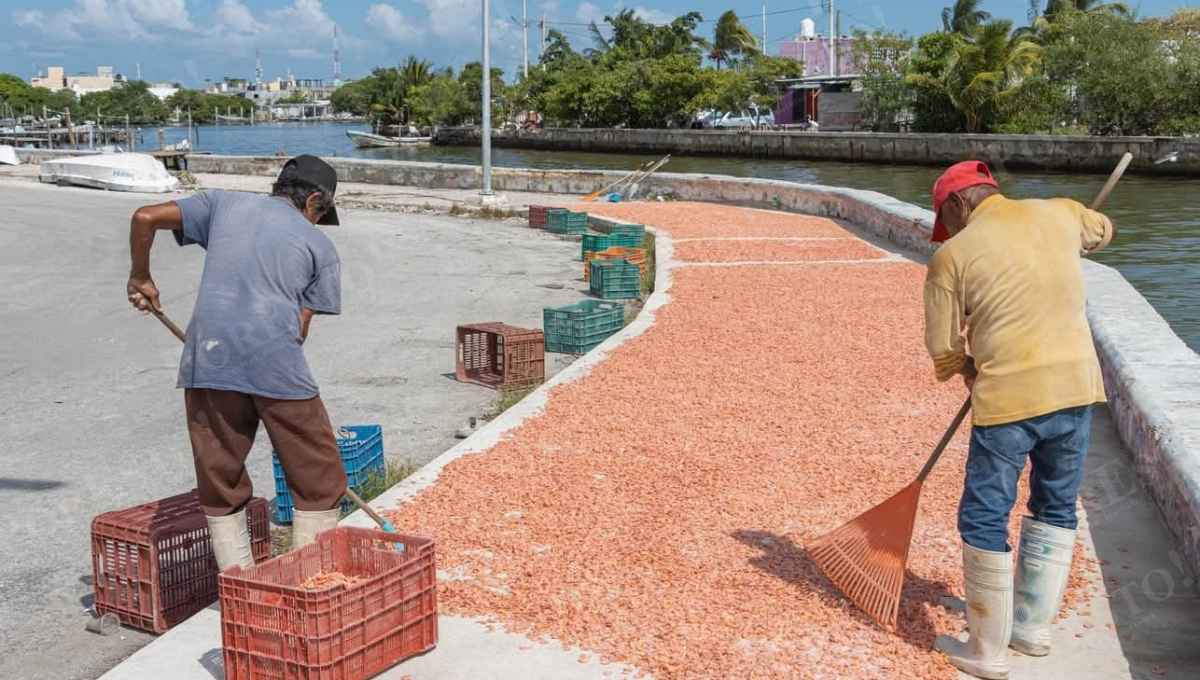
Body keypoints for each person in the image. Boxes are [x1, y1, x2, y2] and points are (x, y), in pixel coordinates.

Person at [923, 160, 1116, 680]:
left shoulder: (951, 257)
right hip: (1076, 391)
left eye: (947, 216)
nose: (950, 228)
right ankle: (1031, 627)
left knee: (985, 513)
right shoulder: (1059, 213)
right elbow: (1102, 231)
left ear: (959, 203)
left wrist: (965, 366)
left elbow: (942, 351)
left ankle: (986, 652)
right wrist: (1078, 233)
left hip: (1008, 400)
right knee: (1055, 503)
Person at [126, 155, 349, 570]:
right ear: (314, 200)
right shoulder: (321, 246)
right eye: (320, 213)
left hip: (206, 360)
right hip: (276, 364)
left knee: (219, 478)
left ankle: (239, 586)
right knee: (320, 481)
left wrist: (141, 276)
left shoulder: (222, 204)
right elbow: (298, 332)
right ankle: (309, 587)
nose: (317, 222)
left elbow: (144, 217)